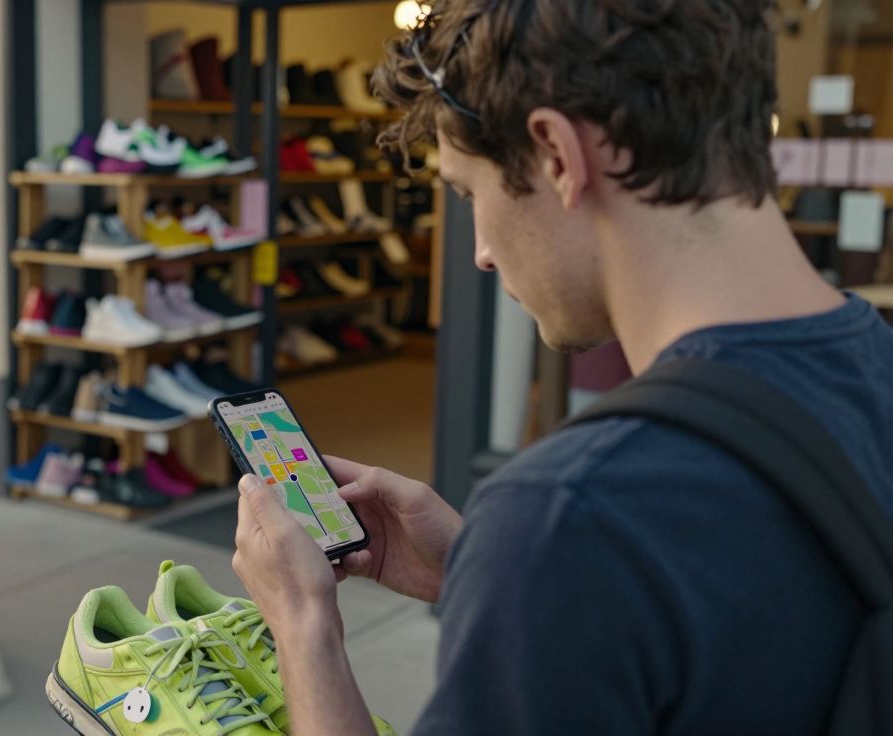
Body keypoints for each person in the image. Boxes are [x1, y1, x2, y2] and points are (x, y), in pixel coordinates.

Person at [230, 1, 893, 734]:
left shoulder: (572, 514)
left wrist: (302, 626)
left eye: (468, 192)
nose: (481, 250)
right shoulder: (875, 364)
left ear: (554, 154)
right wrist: (485, 570)